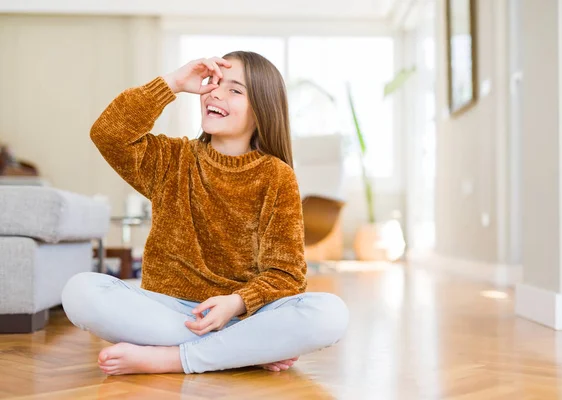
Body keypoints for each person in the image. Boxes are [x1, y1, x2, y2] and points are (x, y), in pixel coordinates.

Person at [61, 51, 349, 375]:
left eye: (235, 90)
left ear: (262, 111)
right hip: (167, 309)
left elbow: (288, 275)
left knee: (331, 314)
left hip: (241, 312)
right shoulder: (172, 158)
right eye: (215, 82)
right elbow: (108, 134)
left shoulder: (276, 176)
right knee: (79, 292)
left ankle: (173, 359)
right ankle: (241, 350)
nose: (215, 93)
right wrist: (173, 83)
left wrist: (236, 303)